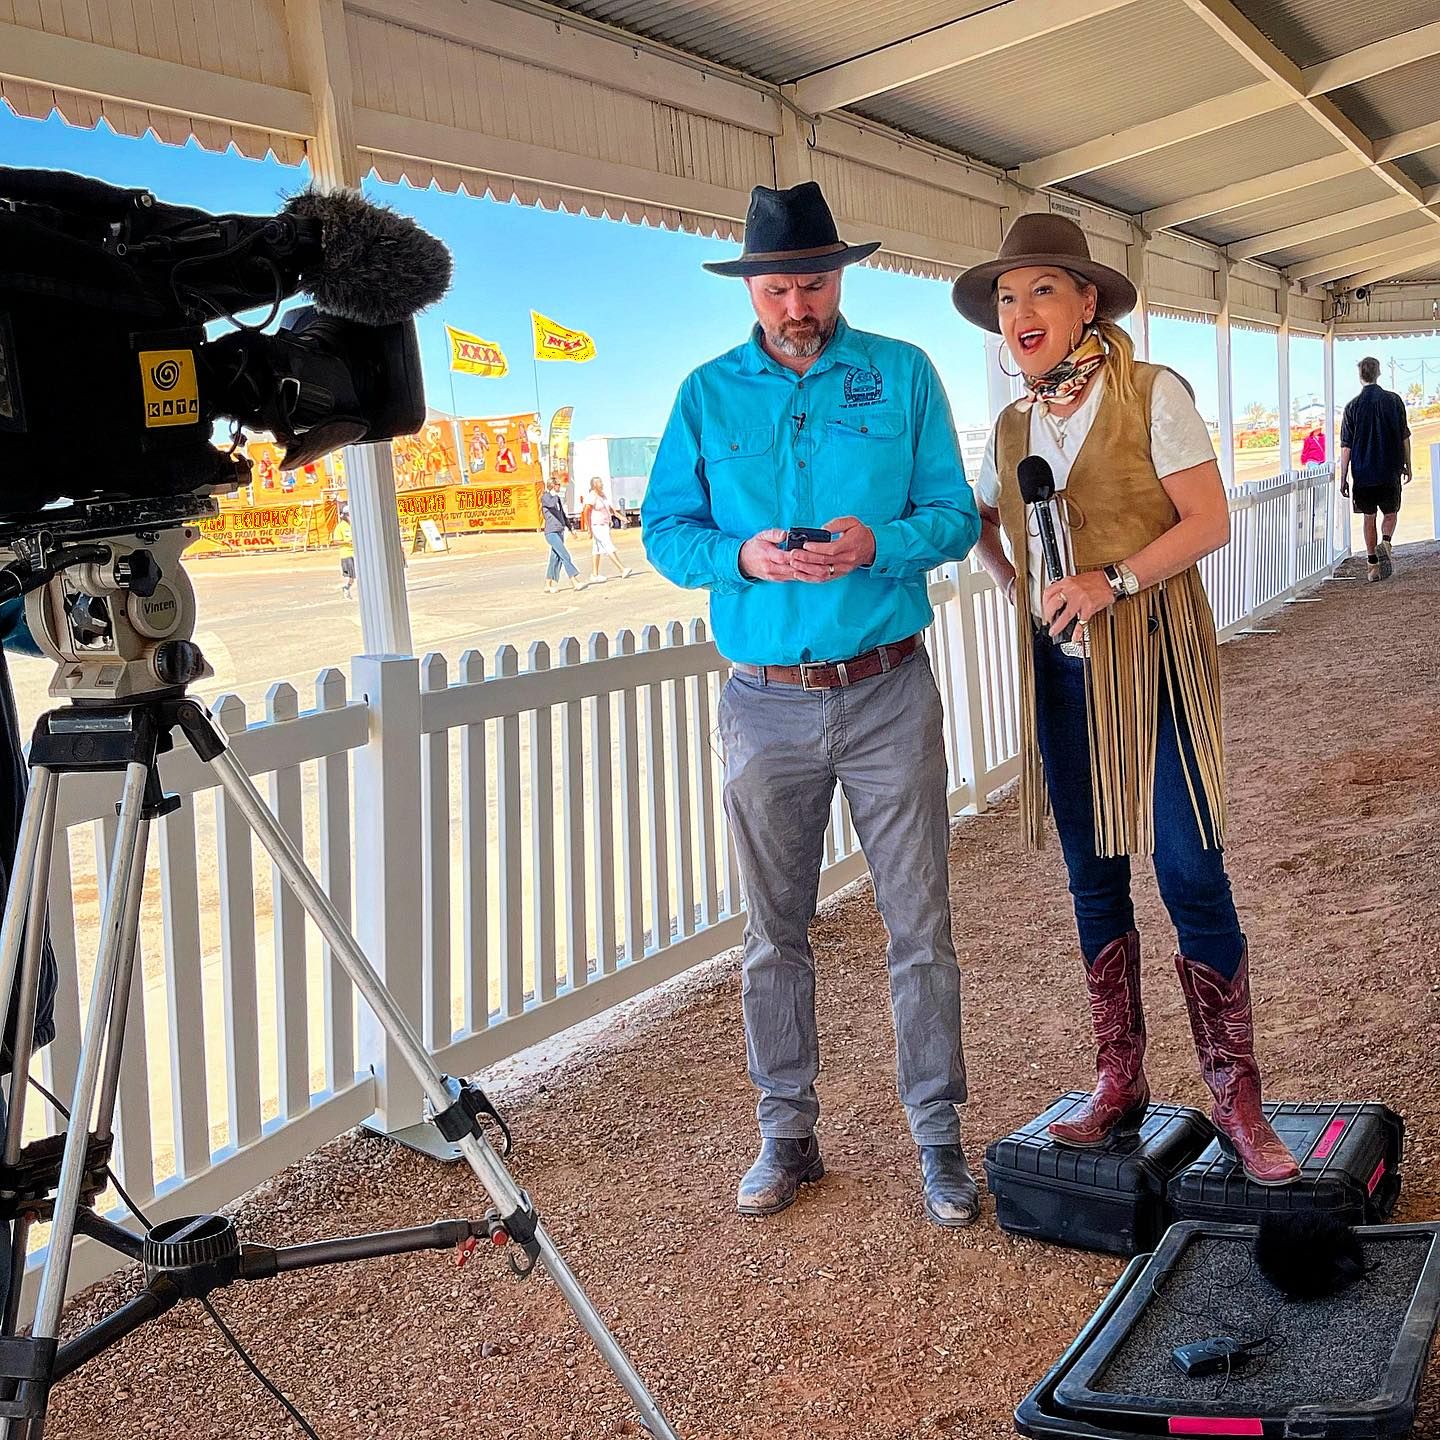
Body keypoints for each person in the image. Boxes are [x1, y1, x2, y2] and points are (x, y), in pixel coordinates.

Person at [643, 181, 983, 1228]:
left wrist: (883, 542)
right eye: (780, 289)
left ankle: (939, 1137)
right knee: (772, 932)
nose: (800, 306)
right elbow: (666, 531)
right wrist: (741, 556)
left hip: (888, 690)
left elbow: (956, 515)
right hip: (766, 705)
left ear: (840, 277)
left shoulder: (903, 372)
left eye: (816, 284)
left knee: (919, 924)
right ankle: (785, 1133)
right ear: (752, 289)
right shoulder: (706, 393)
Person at [953, 213, 1300, 1187]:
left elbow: (1210, 521)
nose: (1020, 312)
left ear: (1087, 301)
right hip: (1064, 677)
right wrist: (1021, 585)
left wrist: (1112, 580)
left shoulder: (1152, 392)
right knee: (1092, 875)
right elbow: (983, 518)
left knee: (1189, 869)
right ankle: (1122, 1076)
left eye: (1042, 290)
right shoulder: (1012, 427)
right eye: (1007, 298)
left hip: (1154, 659)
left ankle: (1235, 1093)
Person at [1339, 357, 1411, 583]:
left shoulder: (1352, 407)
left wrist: (1343, 477)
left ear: (1360, 376)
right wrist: (1408, 464)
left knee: (1368, 517)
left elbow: (1346, 447)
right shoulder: (1394, 401)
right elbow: (1404, 437)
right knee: (1390, 513)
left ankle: (1372, 566)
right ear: (1379, 373)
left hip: (1363, 473)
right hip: (1389, 469)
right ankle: (1386, 543)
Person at [581, 477, 633, 583]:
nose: (602, 484)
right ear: (594, 485)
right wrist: (589, 528)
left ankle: (595, 574)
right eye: (600, 482)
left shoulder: (602, 496)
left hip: (604, 525)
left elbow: (610, 510)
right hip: (597, 526)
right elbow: (586, 511)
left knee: (596, 549)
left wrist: (621, 518)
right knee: (608, 545)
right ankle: (622, 569)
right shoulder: (592, 497)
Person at [540, 477, 587, 594]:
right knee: (565, 555)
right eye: (558, 485)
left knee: (555, 558)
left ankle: (548, 584)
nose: (560, 487)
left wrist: (571, 528)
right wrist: (555, 495)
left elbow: (562, 515)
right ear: (553, 485)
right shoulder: (546, 497)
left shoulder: (557, 499)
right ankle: (574, 581)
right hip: (551, 532)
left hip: (559, 530)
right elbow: (550, 504)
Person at [335, 505, 356, 598]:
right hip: (347, 554)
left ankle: (347, 588)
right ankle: (346, 588)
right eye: (348, 515)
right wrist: (347, 542)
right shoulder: (340, 527)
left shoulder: (354, 525)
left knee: (356, 575)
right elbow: (336, 541)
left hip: (356, 554)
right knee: (352, 576)